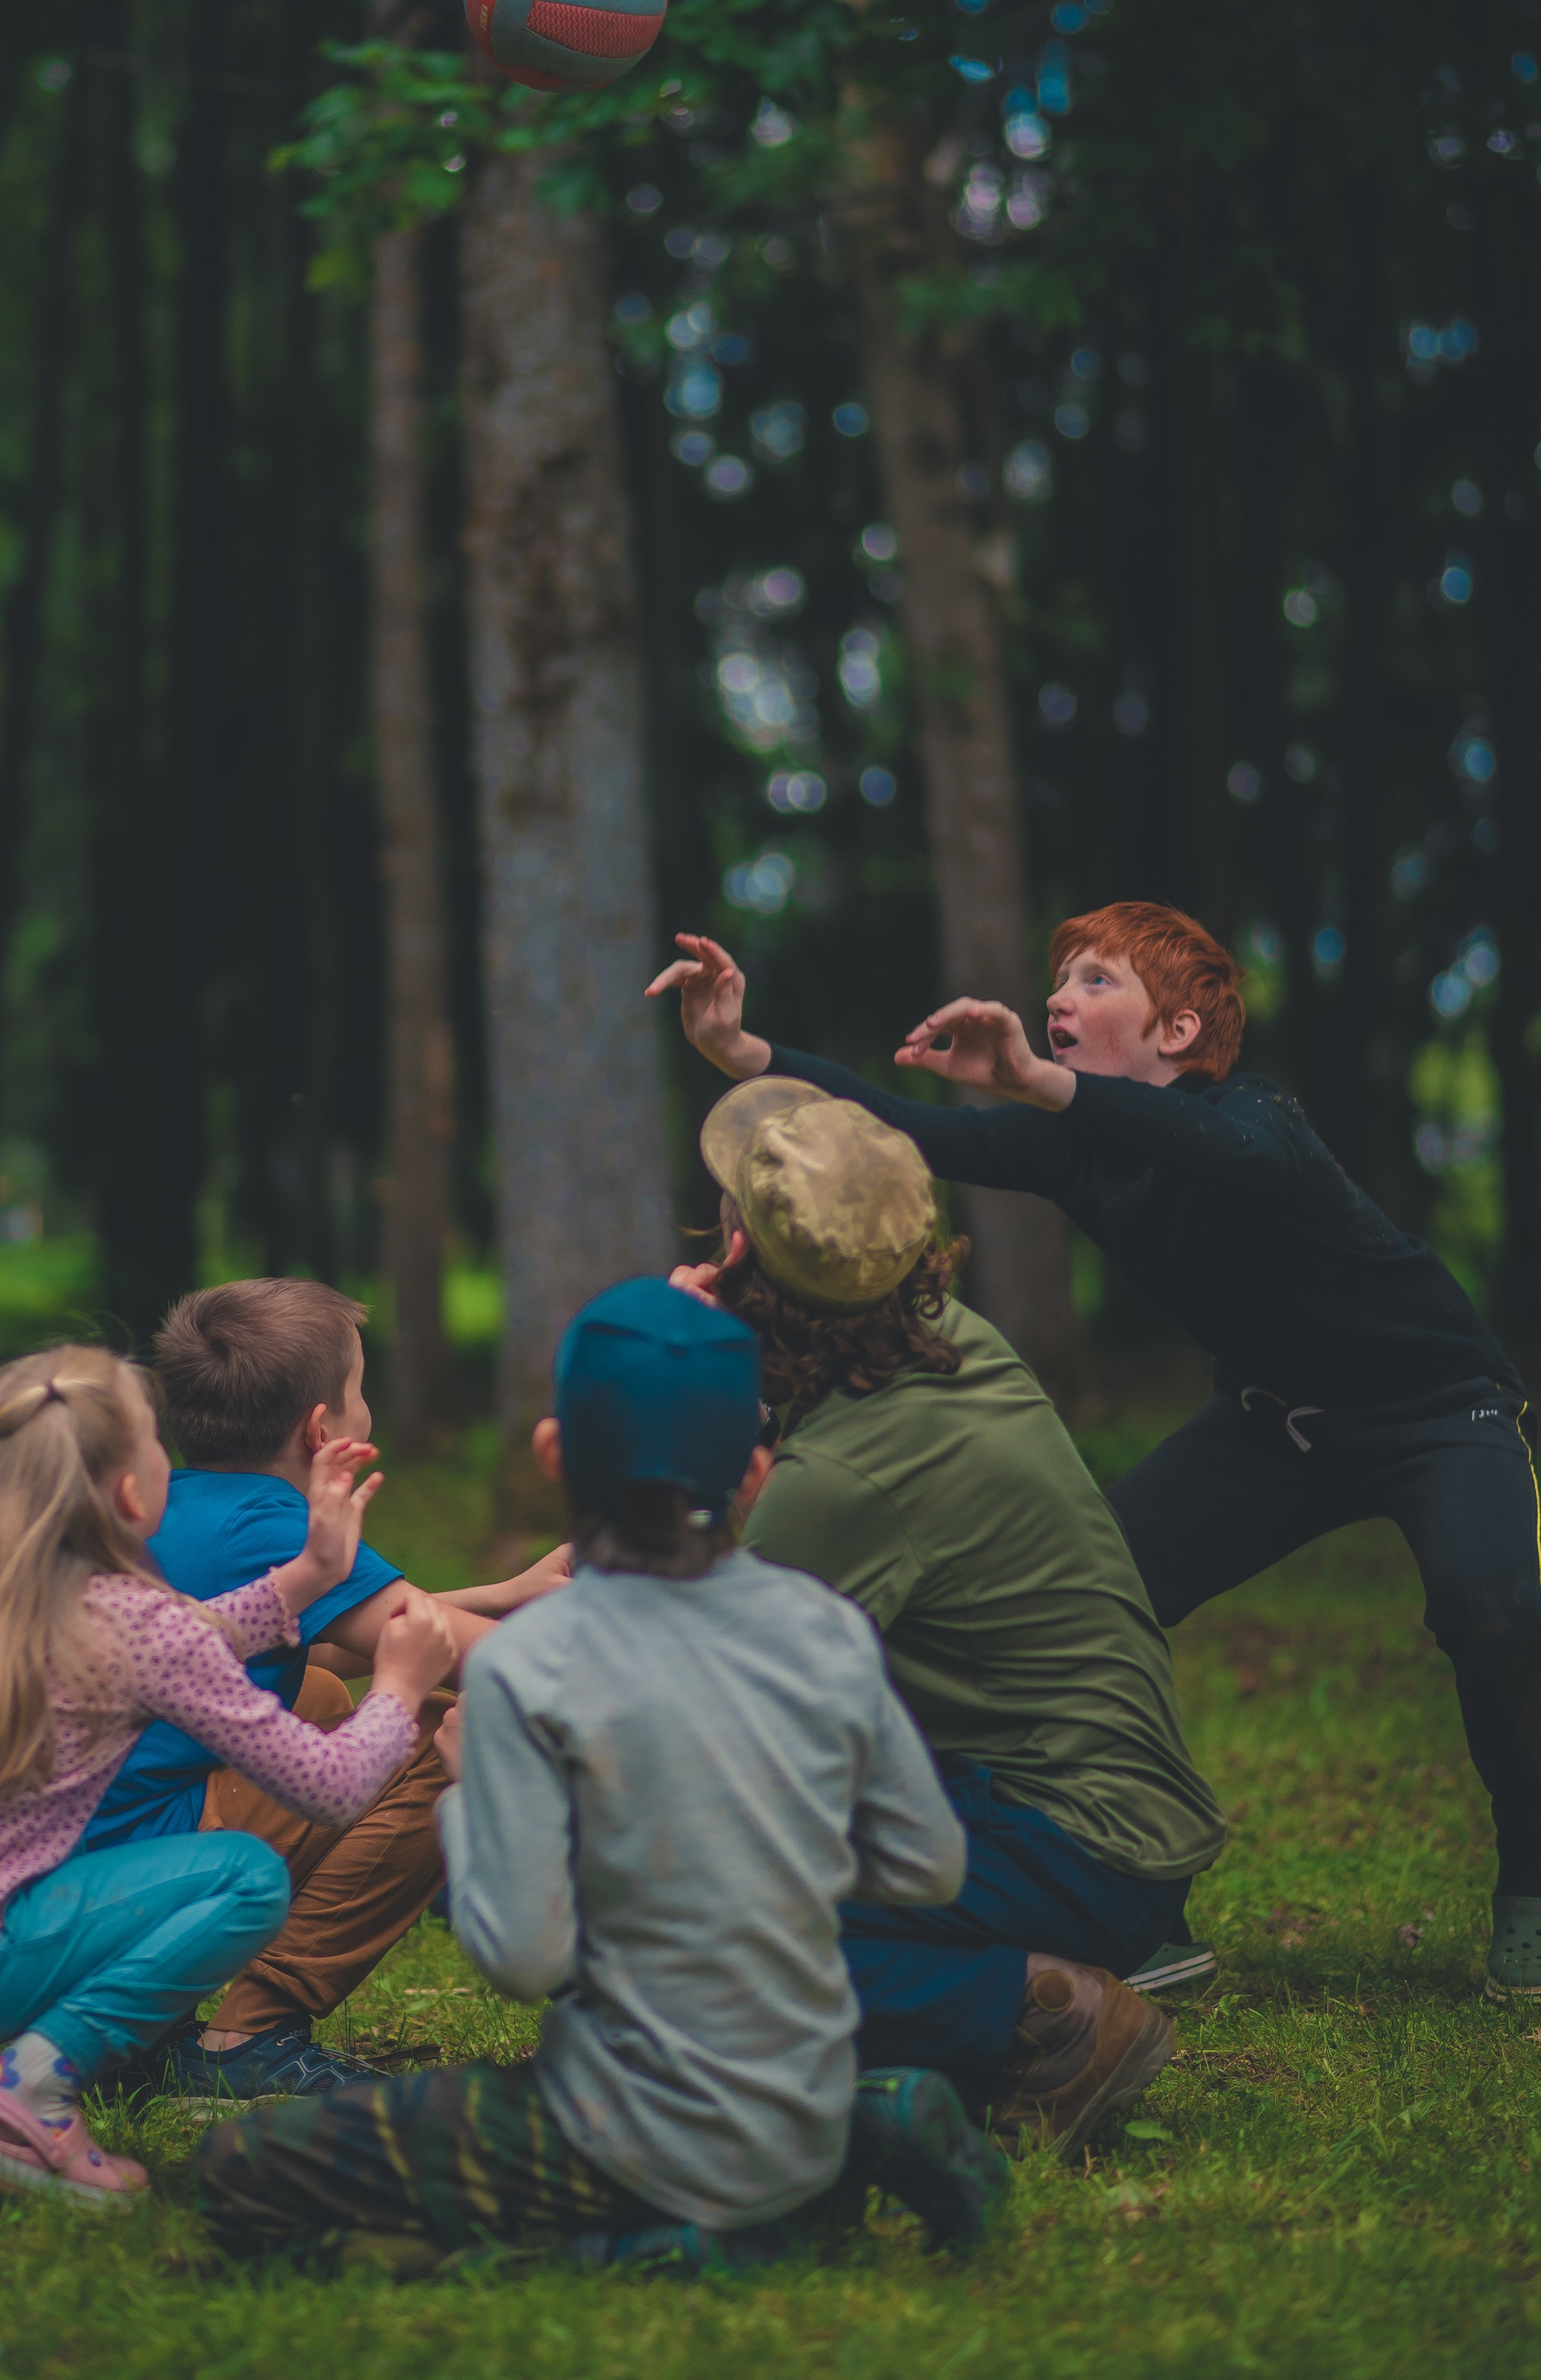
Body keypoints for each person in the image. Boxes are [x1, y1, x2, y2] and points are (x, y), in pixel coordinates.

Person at [649, 902, 1541, 1996]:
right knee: (1084, 1600)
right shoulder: (1080, 1152)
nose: (1059, 998)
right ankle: (1108, 1896)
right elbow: (898, 1126)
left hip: (1436, 1409)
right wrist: (745, 1055)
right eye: (1057, 978)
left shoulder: (1258, 1119)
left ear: (1174, 1033)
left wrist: (1039, 1082)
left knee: (1490, 1603)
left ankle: (1532, 1886)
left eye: (1096, 982)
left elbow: (1224, 1154)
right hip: (1270, 1426)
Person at [196, 1279, 1008, 2276]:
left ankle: (662, 2245)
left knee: (241, 2168)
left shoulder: (535, 1673)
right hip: (803, 2095)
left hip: (612, 2128)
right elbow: (929, 1866)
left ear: (553, 1457)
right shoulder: (828, 1632)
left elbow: (525, 1960)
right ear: (754, 1476)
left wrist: (474, 1809)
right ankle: (863, 2132)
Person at [0, 1345, 456, 2209]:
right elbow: (333, 1786)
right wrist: (398, 1688)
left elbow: (184, 1631)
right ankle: (26, 2096)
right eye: (156, 1439)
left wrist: (310, 1575)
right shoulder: (132, 1624)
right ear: (129, 1492)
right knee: (242, 1878)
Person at [674, 1075, 1222, 2147]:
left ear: (741, 1257)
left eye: (731, 1206)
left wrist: (673, 1393)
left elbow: (700, 1708)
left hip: (1068, 1848)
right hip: (1104, 1823)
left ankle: (1032, 2017)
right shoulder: (944, 1337)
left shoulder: (840, 1482)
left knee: (685, 1908)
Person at [80, 1278, 570, 2100]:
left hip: (84, 1873)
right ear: (321, 1429)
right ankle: (255, 2029)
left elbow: (335, 1643)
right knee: (449, 1722)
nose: (365, 1408)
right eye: (358, 1391)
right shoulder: (269, 1526)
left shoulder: (176, 1507)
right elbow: (486, 1667)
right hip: (136, 1891)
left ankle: (154, 2029)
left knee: (310, 1692)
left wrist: (497, 1596)